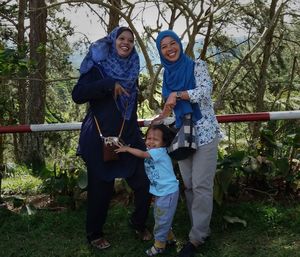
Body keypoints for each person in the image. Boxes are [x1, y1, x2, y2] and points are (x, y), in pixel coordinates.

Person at [72, 26, 152, 250]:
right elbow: (77, 94)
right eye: (121, 38)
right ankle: (94, 233)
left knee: (143, 183)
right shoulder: (98, 68)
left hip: (127, 137)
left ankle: (137, 223)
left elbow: (131, 108)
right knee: (101, 189)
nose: (126, 42)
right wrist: (108, 85)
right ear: (112, 41)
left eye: (130, 40)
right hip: (100, 138)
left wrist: (138, 138)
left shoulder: (132, 68)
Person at [153, 30, 223, 257]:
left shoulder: (197, 65)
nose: (169, 48)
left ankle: (195, 239)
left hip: (204, 133)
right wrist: (162, 116)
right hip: (182, 135)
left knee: (202, 185)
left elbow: (204, 92)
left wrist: (180, 94)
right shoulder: (167, 75)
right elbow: (171, 111)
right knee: (190, 185)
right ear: (160, 51)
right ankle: (201, 229)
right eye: (164, 46)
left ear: (180, 45)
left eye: (173, 43)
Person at [115, 124, 179, 256]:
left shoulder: (159, 152)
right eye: (148, 138)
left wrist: (127, 149)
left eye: (155, 139)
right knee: (161, 216)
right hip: (163, 191)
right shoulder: (154, 150)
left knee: (161, 218)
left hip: (167, 192)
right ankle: (169, 237)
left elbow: (142, 154)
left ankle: (159, 245)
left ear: (164, 142)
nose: (150, 141)